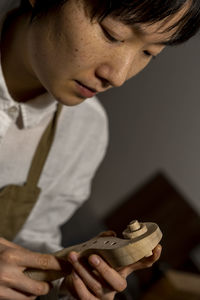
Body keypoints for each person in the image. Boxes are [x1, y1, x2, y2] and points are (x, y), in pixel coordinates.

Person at [0, 0, 199, 299]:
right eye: (112, 34)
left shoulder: (84, 132)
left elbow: (31, 244)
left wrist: (64, 284)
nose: (118, 76)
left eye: (149, 53)